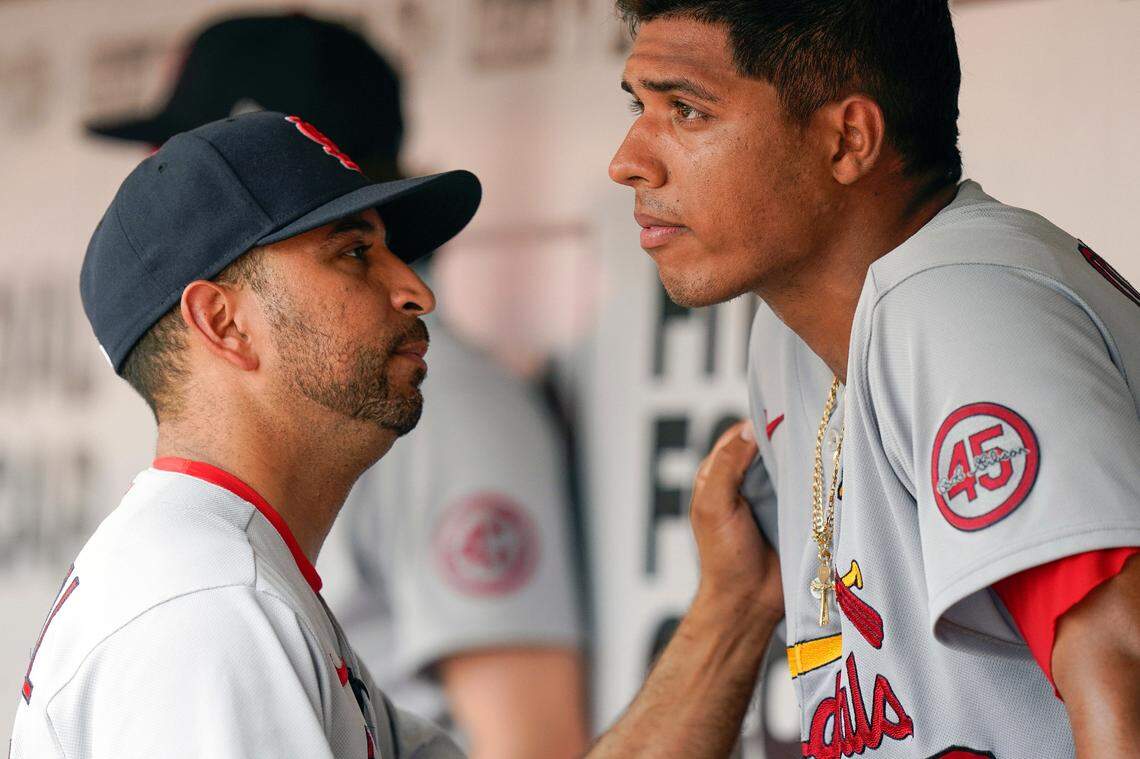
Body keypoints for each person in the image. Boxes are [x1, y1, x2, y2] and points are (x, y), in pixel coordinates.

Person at [606, 1, 1140, 757]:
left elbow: (1126, 671)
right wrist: (735, 600)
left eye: (686, 111)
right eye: (641, 107)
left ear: (848, 139)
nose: (628, 160)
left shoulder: (955, 303)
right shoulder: (788, 338)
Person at [87, 15, 588, 757]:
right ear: (220, 322)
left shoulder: (441, 405)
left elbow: (532, 742)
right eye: (355, 250)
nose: (157, 187)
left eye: (189, 156)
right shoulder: (210, 593)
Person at [10, 110, 482, 758]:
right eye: (354, 252)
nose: (415, 290)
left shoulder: (221, 577)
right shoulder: (206, 610)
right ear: (225, 324)